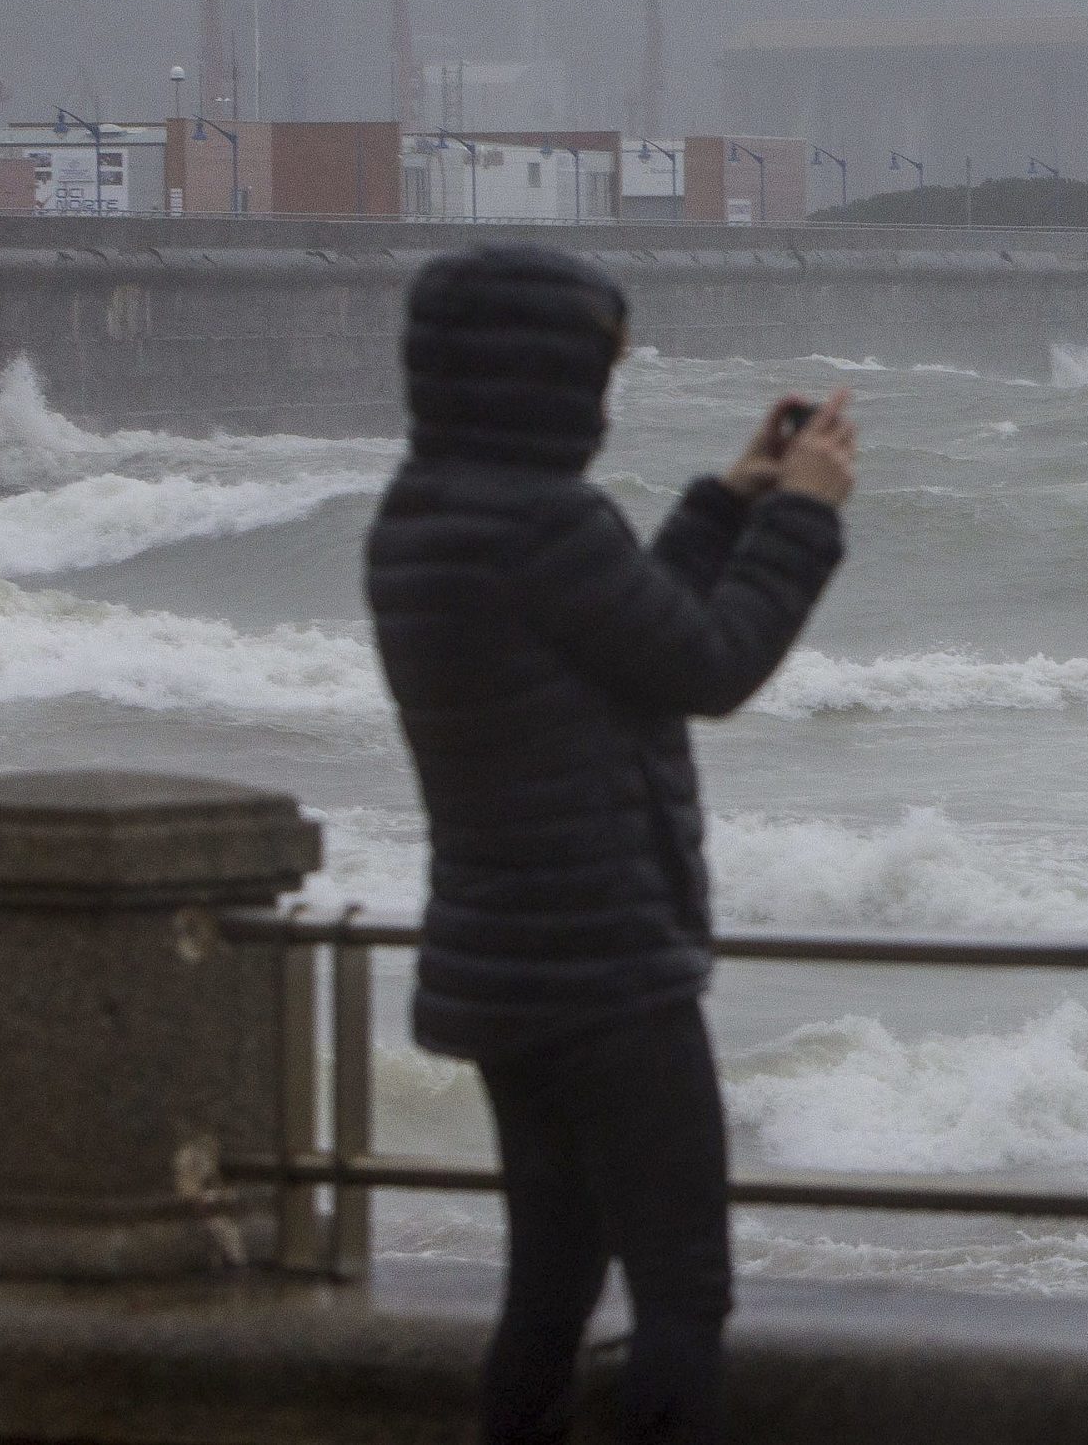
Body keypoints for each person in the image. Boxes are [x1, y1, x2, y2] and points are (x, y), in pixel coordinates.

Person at [364, 245, 855, 1445]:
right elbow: (710, 666)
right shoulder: (545, 522)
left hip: (501, 969)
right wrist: (803, 518)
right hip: (609, 979)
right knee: (684, 1293)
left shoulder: (422, 512)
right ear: (548, 378)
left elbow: (628, 640)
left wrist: (728, 502)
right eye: (599, 369)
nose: (605, 394)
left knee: (550, 1283)